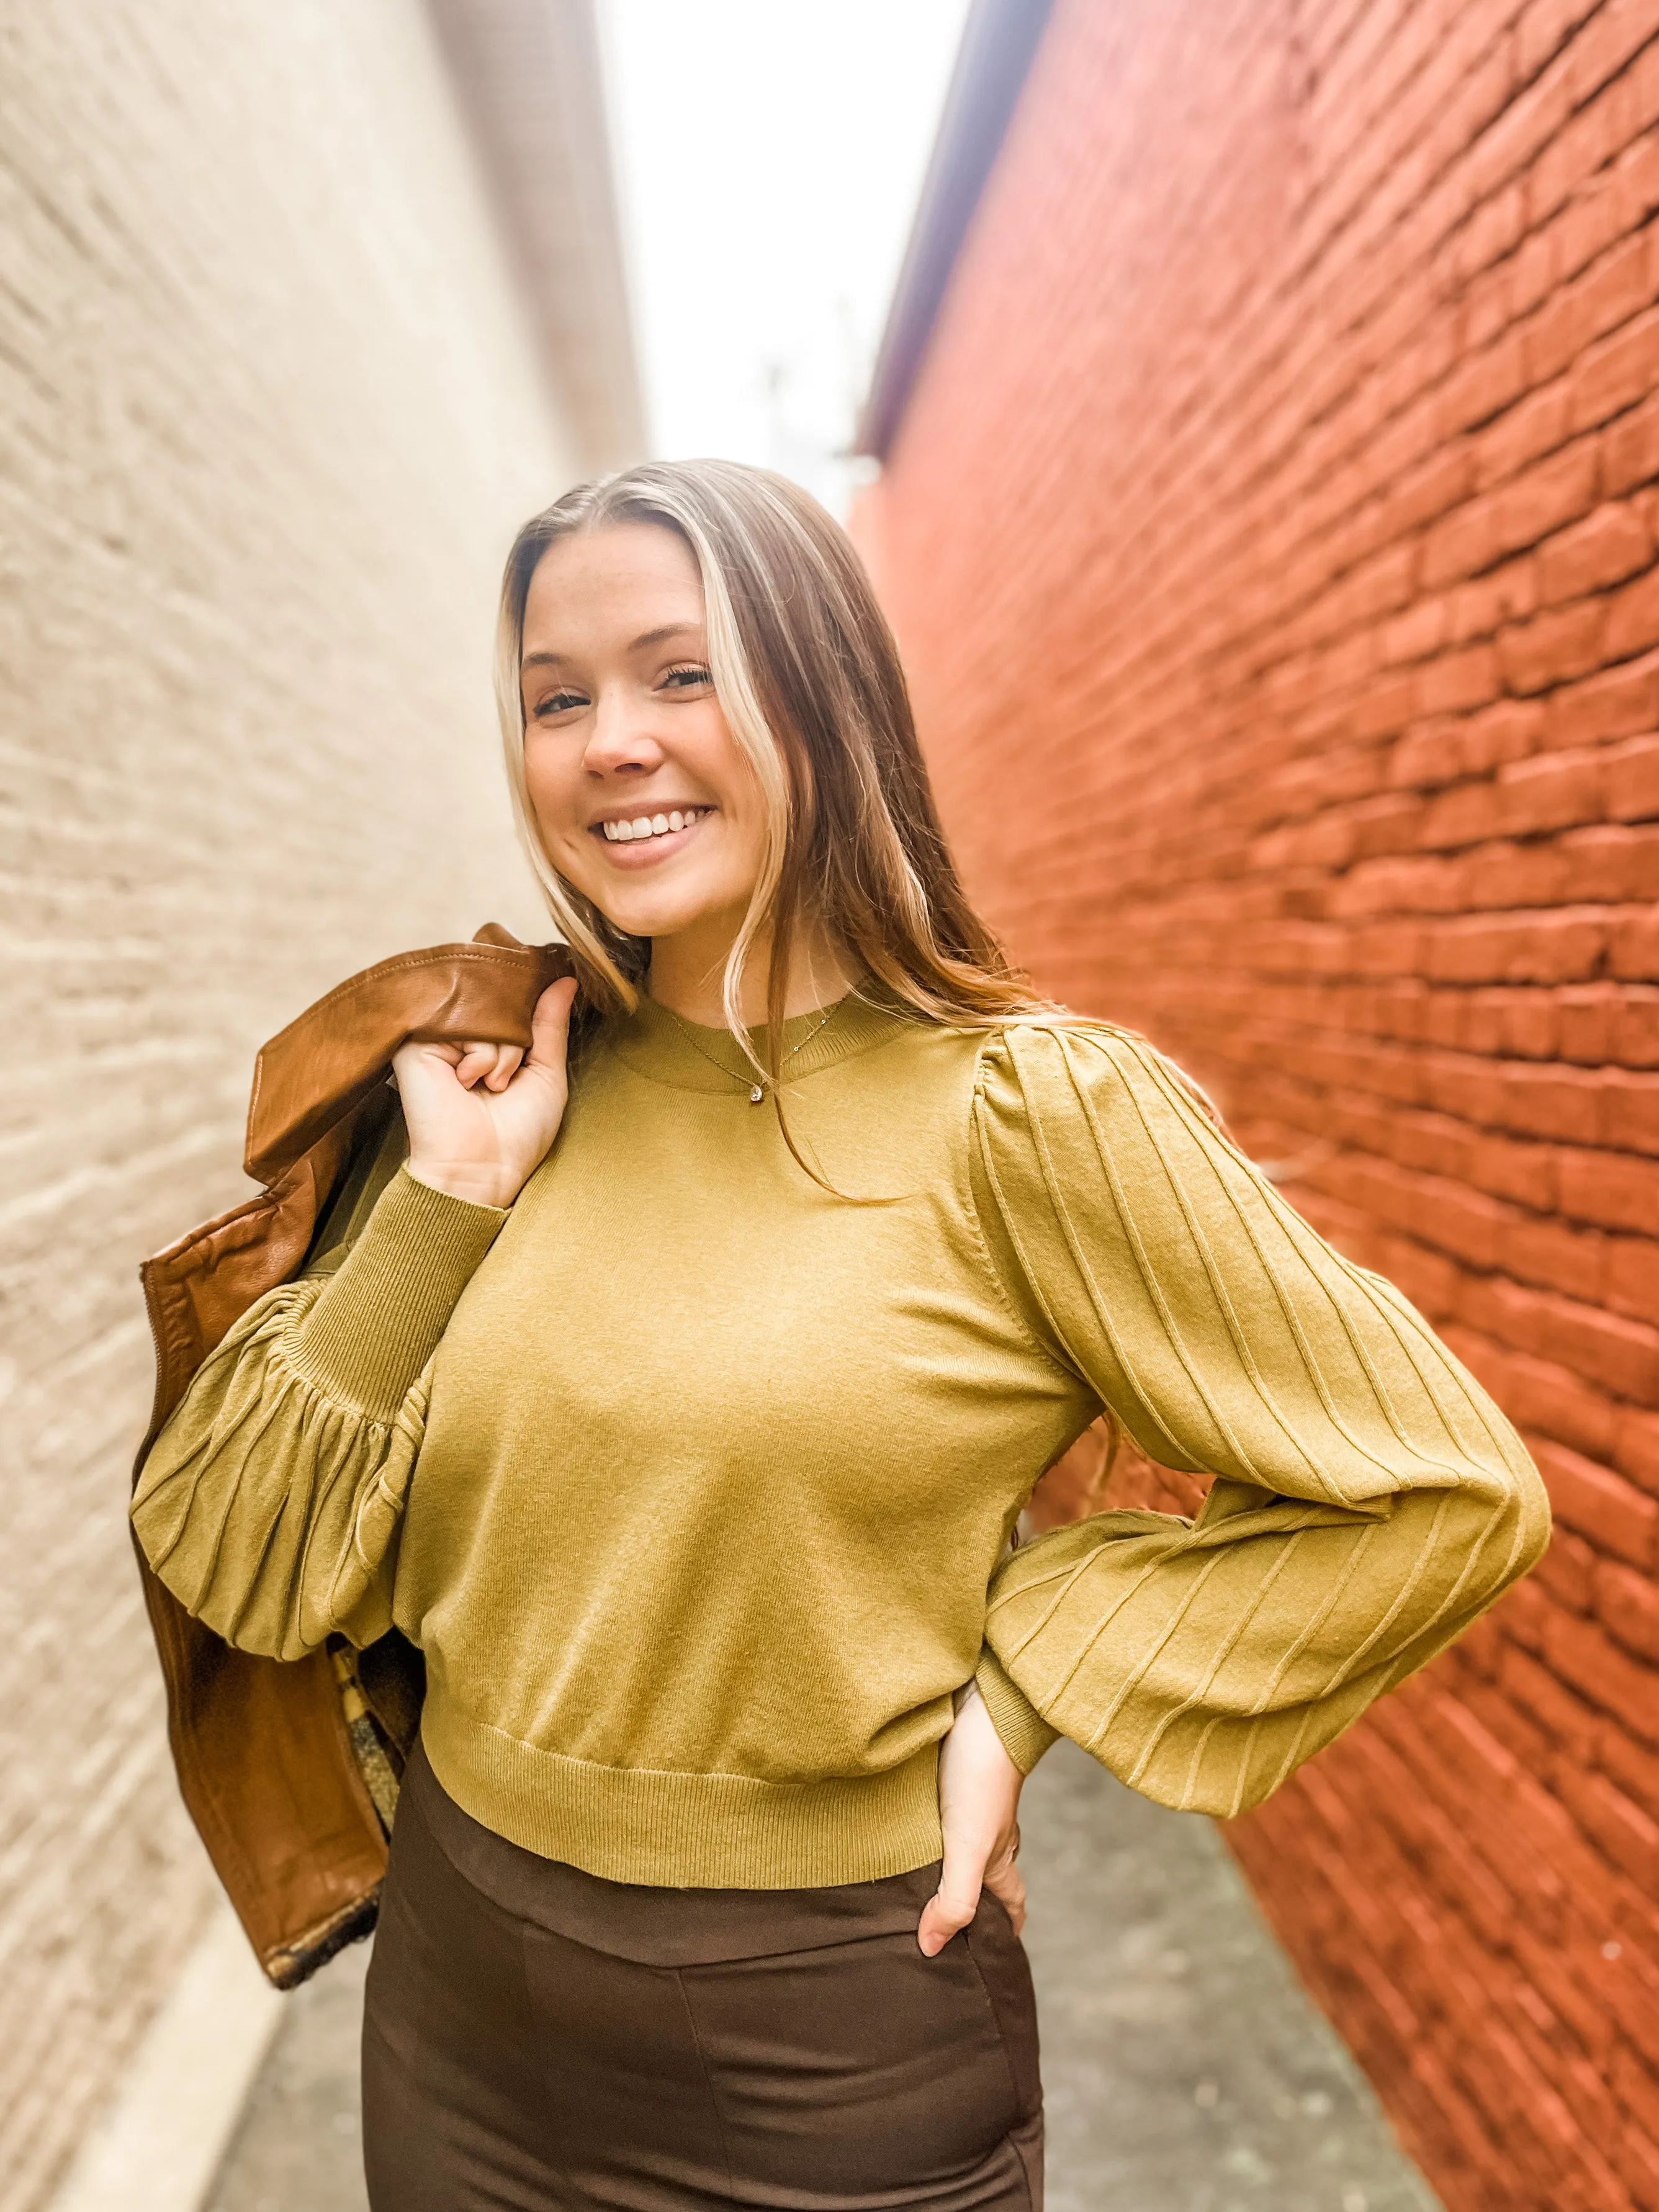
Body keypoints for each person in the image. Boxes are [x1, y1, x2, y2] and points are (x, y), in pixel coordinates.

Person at [132, 459, 1549, 2210]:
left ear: (826, 691)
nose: (611, 741)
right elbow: (229, 1555)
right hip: (461, 2008)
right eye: (555, 697)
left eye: (681, 670)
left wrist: (1029, 1686)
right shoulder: (494, 1082)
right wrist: (445, 1204)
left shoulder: (1028, 1110)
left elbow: (1442, 1489)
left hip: (833, 2057)